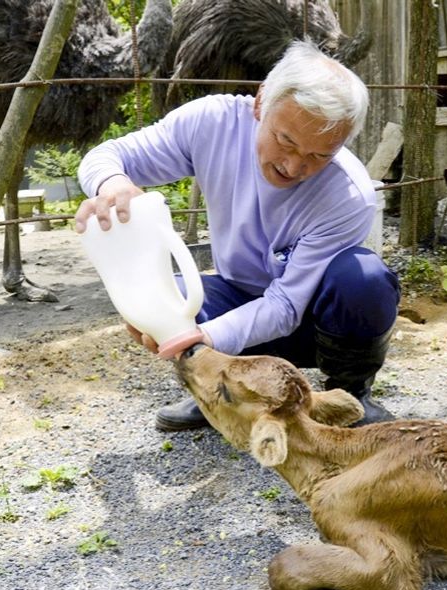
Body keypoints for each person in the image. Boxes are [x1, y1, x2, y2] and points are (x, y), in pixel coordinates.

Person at [76, 40, 400, 431]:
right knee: (169, 294)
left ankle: (350, 395)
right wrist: (112, 184)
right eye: (286, 140)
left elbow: (285, 306)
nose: (294, 165)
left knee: (363, 278)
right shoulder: (212, 123)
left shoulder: (349, 195)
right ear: (261, 102)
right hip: (236, 295)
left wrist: (203, 339)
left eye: (319, 155)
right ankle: (217, 392)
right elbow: (105, 156)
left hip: (314, 322)